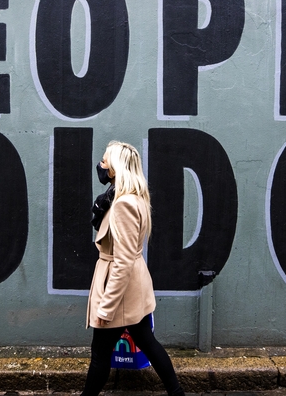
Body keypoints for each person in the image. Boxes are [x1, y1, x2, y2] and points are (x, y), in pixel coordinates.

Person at [82, 141, 185, 396]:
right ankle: (177, 393)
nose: (101, 165)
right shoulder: (129, 197)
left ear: (115, 169)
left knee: (100, 355)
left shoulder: (123, 205)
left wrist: (106, 306)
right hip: (131, 289)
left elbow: (123, 261)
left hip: (120, 292)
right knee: (146, 342)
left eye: (105, 162)